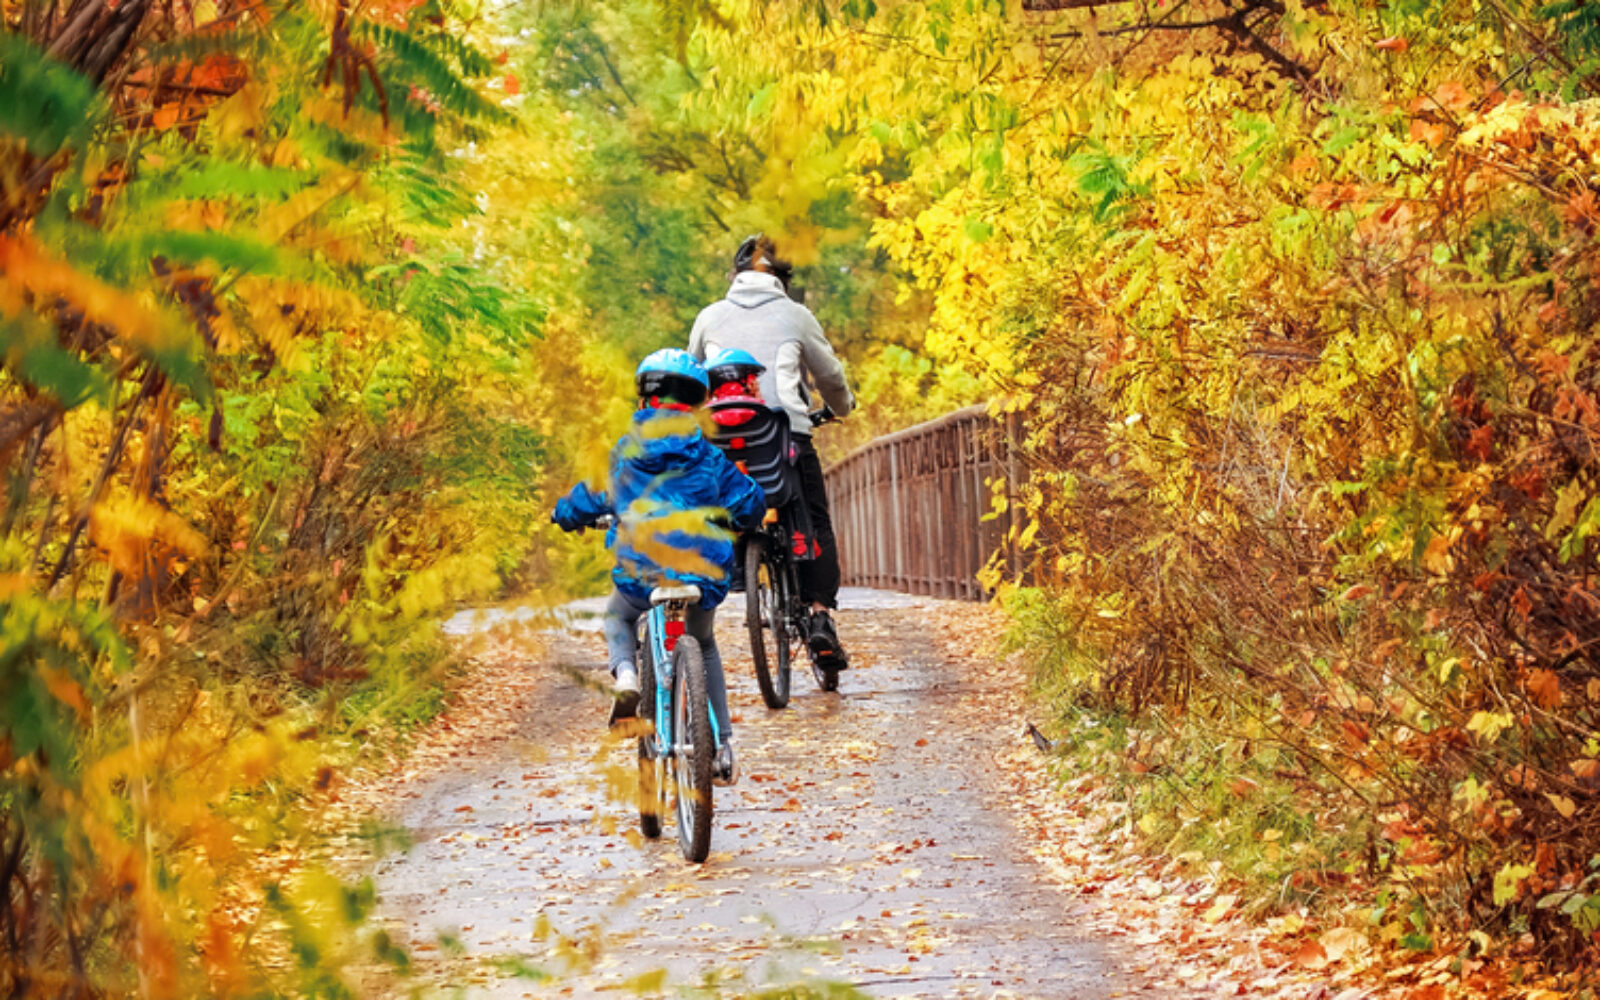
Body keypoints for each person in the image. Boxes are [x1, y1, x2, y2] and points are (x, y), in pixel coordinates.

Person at [551, 348, 765, 784]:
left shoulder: (624, 454)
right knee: (703, 643)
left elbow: (589, 498)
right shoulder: (708, 457)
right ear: (696, 404)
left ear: (644, 399)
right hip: (698, 570)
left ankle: (627, 674)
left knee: (618, 615)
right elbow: (749, 501)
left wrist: (565, 515)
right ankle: (721, 745)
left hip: (641, 571)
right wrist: (741, 518)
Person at [688, 235, 855, 667]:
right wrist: (841, 409)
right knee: (815, 521)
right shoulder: (795, 315)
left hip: (723, 443)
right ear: (783, 278)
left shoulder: (708, 317)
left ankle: (739, 563)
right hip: (787, 437)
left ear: (735, 275)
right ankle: (820, 616)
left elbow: (689, 377)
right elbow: (830, 376)